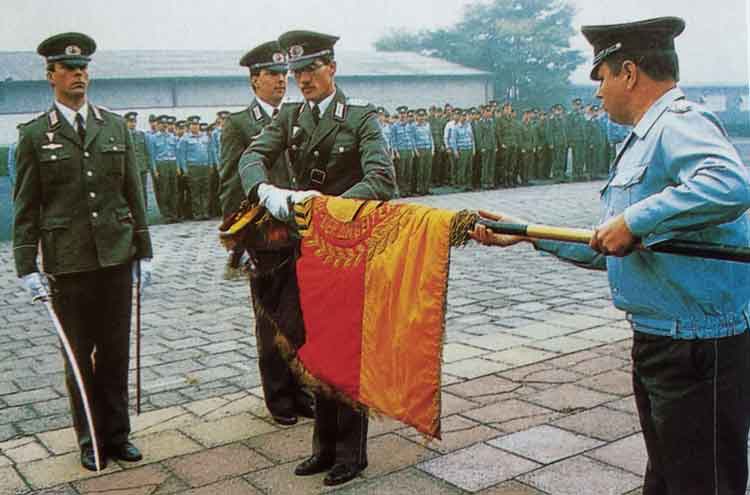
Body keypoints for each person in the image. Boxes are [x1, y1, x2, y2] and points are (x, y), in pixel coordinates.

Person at [472, 17, 750, 495]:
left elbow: (730, 184)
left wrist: (634, 220)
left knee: (704, 483)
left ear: (628, 72)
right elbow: (617, 248)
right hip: (664, 341)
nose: (597, 92)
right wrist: (526, 234)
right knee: (668, 478)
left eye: (600, 78)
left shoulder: (677, 125)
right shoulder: (645, 137)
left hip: (697, 349)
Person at [238, 30, 396, 486]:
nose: (301, 79)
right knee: (315, 346)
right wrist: (265, 191)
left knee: (346, 350)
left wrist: (324, 207)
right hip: (306, 252)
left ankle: (351, 452)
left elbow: (382, 180)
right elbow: (253, 156)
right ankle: (323, 446)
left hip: (347, 249)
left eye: (310, 69)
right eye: (295, 72)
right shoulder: (290, 117)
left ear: (332, 67)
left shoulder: (360, 117)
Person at [13, 32, 153, 471]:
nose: (79, 75)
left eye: (83, 68)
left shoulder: (113, 127)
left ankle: (119, 434)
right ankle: (90, 437)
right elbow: (26, 204)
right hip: (68, 263)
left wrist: (143, 252)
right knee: (78, 356)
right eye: (69, 69)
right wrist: (26, 266)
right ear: (50, 75)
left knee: (114, 353)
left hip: (116, 256)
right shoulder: (35, 135)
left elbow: (133, 192)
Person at [218, 40, 313, 426]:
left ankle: (302, 390)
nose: (281, 81)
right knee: (271, 318)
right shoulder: (240, 125)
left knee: (301, 317)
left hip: (302, 232)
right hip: (266, 238)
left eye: (283, 75)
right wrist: (243, 239)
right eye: (272, 75)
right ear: (254, 81)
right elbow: (230, 183)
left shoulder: (297, 116)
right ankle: (278, 397)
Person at [149, 115, 179, 222]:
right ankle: (166, 215)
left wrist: (178, 167)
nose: (164, 125)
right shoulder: (153, 138)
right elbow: (151, 155)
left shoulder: (172, 137)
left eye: (166, 123)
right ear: (158, 124)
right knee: (164, 190)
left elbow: (177, 153)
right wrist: (155, 169)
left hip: (172, 163)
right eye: (162, 123)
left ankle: (174, 214)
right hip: (161, 164)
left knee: (174, 190)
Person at [124, 111, 153, 208]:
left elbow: (146, 151)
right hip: (129, 169)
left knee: (143, 191)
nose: (132, 124)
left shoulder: (141, 135)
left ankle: (144, 211)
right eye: (130, 121)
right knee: (131, 191)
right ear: (126, 122)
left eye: (134, 121)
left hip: (142, 168)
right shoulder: (123, 135)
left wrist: (148, 165)